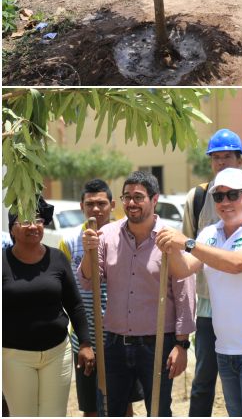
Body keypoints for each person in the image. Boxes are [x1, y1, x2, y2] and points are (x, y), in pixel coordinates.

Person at [156, 168, 242, 417]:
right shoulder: (209, 233)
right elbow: (183, 269)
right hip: (226, 349)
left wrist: (186, 242)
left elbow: (236, 264)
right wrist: (171, 246)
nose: (225, 202)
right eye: (219, 197)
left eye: (232, 195)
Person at [79, 171, 195, 417]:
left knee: (158, 411)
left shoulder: (170, 238)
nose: (131, 203)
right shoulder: (106, 235)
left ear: (155, 200)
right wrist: (89, 250)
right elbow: (90, 282)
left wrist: (182, 345)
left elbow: (184, 292)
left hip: (158, 345)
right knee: (113, 411)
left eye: (138, 197)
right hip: (114, 343)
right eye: (127, 197)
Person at [183, 128, 242, 418]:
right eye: (216, 158)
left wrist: (191, 245)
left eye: (227, 157)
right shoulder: (197, 197)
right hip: (210, 301)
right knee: (204, 378)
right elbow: (186, 255)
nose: (221, 163)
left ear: (239, 160)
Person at [3, 197, 94, 417]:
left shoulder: (57, 258)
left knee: (54, 414)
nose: (33, 226)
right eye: (24, 221)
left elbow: (74, 304)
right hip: (15, 356)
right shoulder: (2, 262)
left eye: (38, 219)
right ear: (12, 230)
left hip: (57, 353)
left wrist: (85, 343)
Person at [59, 179, 142, 417]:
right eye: (90, 203)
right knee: (92, 408)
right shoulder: (69, 241)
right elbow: (68, 295)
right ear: (81, 205)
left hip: (121, 338)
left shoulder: (128, 236)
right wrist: (84, 341)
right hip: (86, 341)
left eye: (102, 203)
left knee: (123, 405)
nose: (96, 209)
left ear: (112, 204)